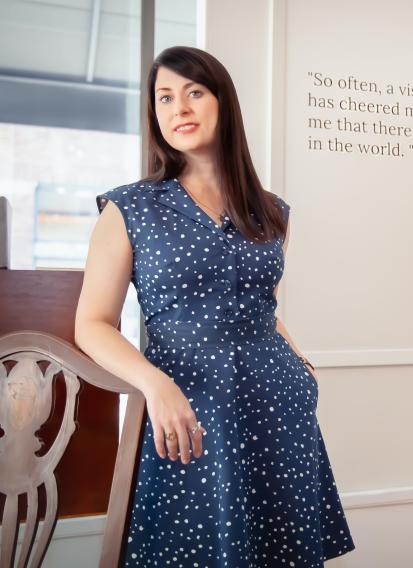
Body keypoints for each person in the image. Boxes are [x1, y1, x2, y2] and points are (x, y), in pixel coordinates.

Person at [74, 45, 356, 567]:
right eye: (164, 98)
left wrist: (301, 363)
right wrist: (155, 384)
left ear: (223, 102)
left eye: (194, 92)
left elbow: (261, 307)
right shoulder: (128, 208)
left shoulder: (272, 212)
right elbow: (92, 324)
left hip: (279, 407)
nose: (178, 108)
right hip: (187, 412)